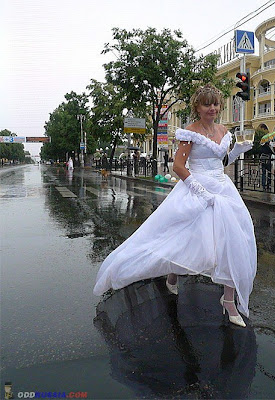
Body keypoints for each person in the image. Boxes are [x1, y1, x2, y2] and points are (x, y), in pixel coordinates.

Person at [93, 84, 257, 328]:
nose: (212, 108)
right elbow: (178, 167)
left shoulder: (223, 130)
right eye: (206, 104)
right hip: (196, 188)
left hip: (223, 189)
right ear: (197, 108)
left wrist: (238, 151)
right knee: (183, 241)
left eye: (215, 104)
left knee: (233, 241)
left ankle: (229, 300)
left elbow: (221, 162)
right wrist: (201, 193)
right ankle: (172, 274)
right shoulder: (189, 132)